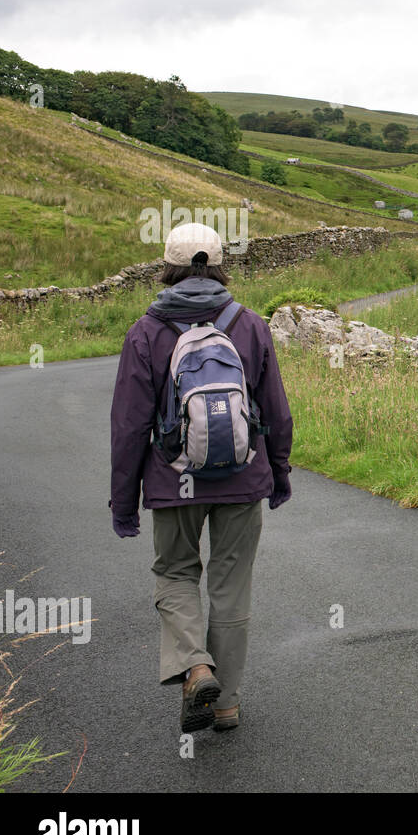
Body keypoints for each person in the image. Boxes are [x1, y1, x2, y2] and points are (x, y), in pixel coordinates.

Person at [109, 223, 293, 734]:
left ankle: (196, 666)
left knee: (175, 574)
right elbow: (276, 410)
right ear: (218, 264)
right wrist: (277, 474)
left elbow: (128, 428)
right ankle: (226, 704)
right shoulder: (251, 325)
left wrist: (124, 503)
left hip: (174, 481)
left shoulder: (145, 332)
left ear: (166, 266)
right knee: (231, 587)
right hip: (242, 476)